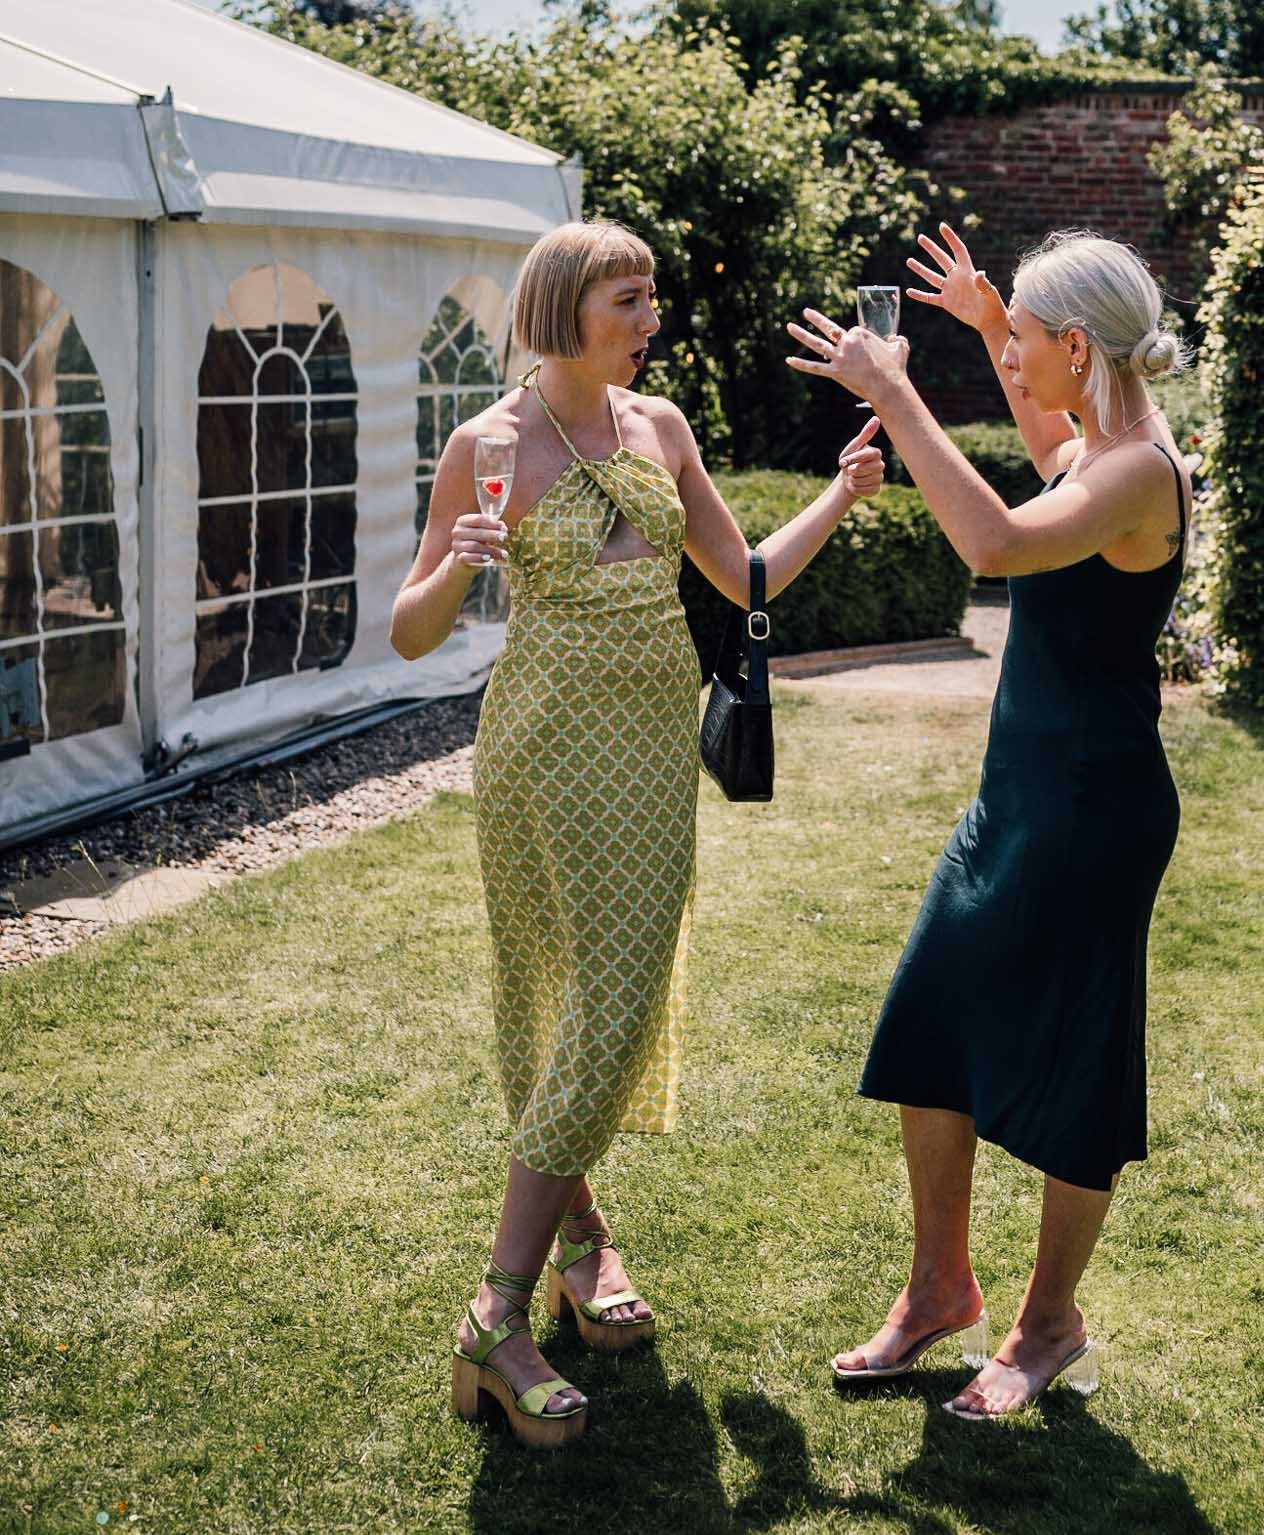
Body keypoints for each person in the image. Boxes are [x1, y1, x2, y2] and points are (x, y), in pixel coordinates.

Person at [393, 219, 884, 1448]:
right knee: (571, 998)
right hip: (544, 745)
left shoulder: (658, 427)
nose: (652, 313)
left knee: (614, 995)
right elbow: (407, 631)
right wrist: (458, 565)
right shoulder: (485, 443)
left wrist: (839, 493)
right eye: (632, 295)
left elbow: (743, 575)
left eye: (651, 294)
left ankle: (576, 1240)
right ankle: (500, 1313)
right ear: (566, 306)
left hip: (652, 749)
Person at [786, 223, 1190, 1422]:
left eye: (1019, 333)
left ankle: (1047, 1322)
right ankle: (938, 1289)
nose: (1008, 350)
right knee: (931, 1021)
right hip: (1016, 799)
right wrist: (975, 323)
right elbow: (1048, 449)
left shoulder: (1139, 473)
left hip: (1092, 811)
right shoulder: (1097, 447)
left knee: (1077, 1063)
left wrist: (898, 389)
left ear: (1076, 344)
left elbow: (995, 543)